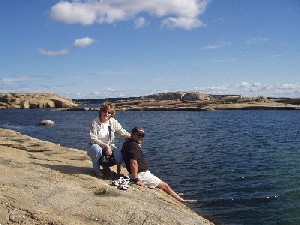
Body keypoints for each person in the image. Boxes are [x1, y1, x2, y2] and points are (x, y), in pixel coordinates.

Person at [121, 126, 196, 203]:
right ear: (132, 134)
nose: (141, 137)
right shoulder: (133, 146)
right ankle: (181, 200)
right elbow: (133, 163)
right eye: (138, 135)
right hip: (141, 175)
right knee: (165, 185)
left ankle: (175, 195)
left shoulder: (128, 143)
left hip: (137, 173)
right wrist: (136, 180)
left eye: (142, 135)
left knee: (162, 184)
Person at [87, 101, 130, 178]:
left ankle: (115, 170)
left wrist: (133, 138)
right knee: (96, 150)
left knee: (120, 155)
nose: (107, 114)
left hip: (110, 147)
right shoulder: (95, 122)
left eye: (109, 112)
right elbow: (93, 138)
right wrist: (106, 146)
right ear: (101, 111)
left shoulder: (112, 122)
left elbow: (122, 132)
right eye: (105, 111)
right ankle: (97, 170)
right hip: (97, 146)